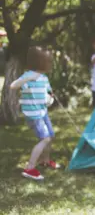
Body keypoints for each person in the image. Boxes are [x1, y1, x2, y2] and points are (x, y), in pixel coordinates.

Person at [10, 46, 60, 180]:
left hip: (42, 111)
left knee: (50, 136)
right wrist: (27, 78)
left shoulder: (43, 78)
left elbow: (48, 91)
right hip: (33, 115)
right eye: (49, 61)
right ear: (40, 62)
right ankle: (30, 168)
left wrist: (51, 97)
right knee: (45, 139)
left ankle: (45, 160)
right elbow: (13, 86)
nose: (50, 64)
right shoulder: (28, 76)